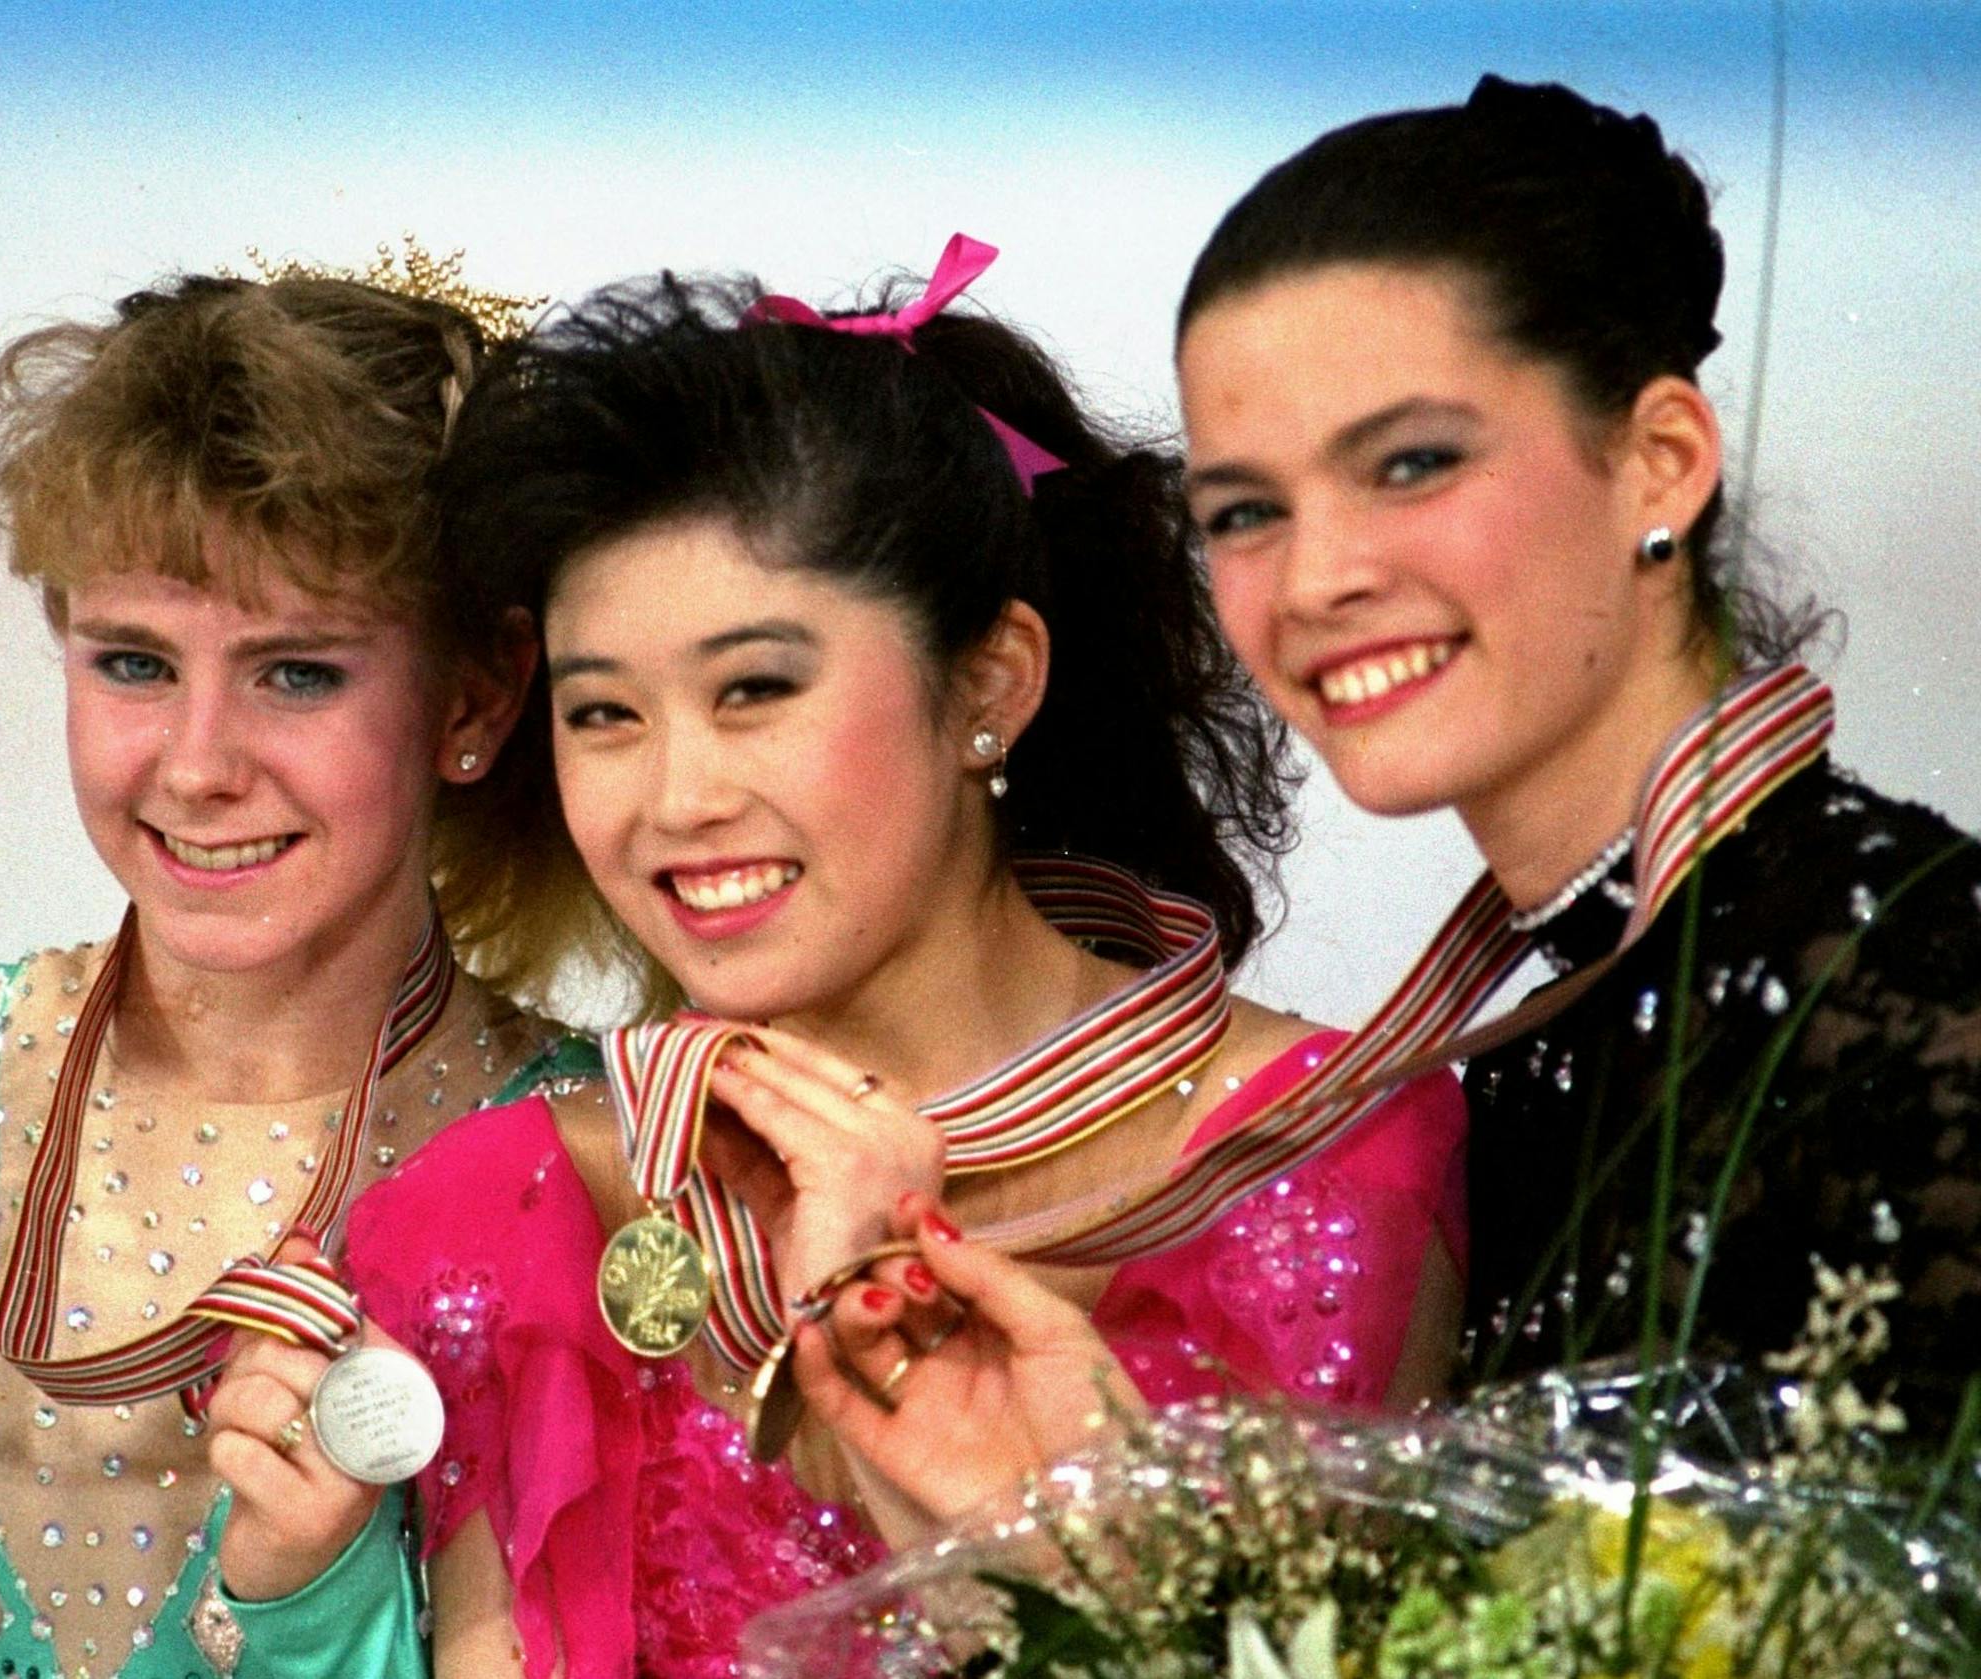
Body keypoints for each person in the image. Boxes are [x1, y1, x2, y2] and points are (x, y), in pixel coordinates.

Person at [228, 238, 1468, 1678]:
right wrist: (300, 1600)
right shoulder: (494, 1215)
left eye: (756, 688)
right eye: (605, 715)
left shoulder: (1310, 1158)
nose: (674, 799)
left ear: (989, 685)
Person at [803, 76, 1981, 1530]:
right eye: (1246, 510)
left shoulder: (1915, 987)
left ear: (1661, 464)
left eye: (1410, 464)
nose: (1316, 578)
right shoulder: (1548, 1041)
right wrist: (1088, 1545)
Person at [0, 270, 603, 1679]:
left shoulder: (602, 1168)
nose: (195, 763)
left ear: (476, 696)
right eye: (132, 662)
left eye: (295, 673)